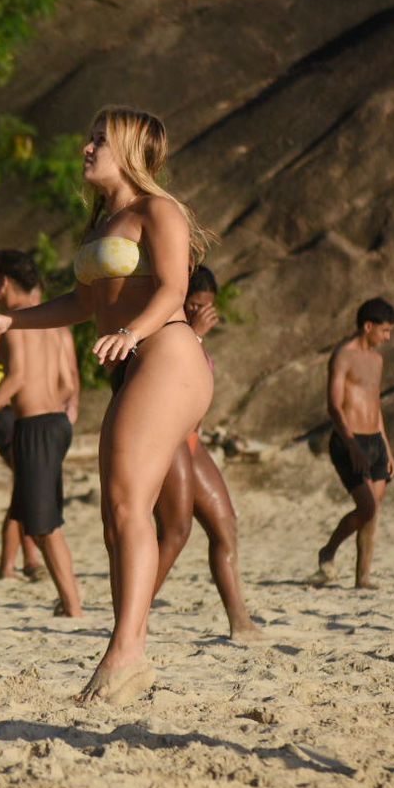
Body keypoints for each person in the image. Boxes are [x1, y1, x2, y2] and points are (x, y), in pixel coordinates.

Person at [0, 105, 214, 705]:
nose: (86, 148)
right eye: (88, 137)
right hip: (138, 362)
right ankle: (131, 651)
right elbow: (79, 306)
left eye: (99, 139)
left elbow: (176, 289)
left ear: (129, 149)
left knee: (129, 506)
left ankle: (125, 655)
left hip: (169, 354)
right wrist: (10, 320)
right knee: (116, 515)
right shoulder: (104, 223)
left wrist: (132, 332)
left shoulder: (159, 210)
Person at [0, 250, 83, 616]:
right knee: (37, 516)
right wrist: (71, 408)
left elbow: (18, 377)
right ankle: (68, 600)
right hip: (56, 424)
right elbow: (70, 378)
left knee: (44, 526)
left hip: (35, 426)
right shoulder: (56, 323)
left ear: (4, 282)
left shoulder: (17, 321)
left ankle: (73, 606)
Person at [150, 265, 262, 641]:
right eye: (195, 304)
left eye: (207, 306)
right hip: (167, 437)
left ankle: (240, 622)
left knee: (225, 524)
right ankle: (133, 615)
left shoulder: (189, 332)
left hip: (193, 442)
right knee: (175, 530)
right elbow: (164, 380)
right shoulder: (163, 327)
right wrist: (193, 336)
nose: (202, 312)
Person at [313, 298, 394, 589]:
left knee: (373, 511)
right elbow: (334, 406)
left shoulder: (377, 360)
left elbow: (375, 405)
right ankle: (329, 550)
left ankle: (363, 578)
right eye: (384, 331)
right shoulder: (343, 356)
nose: (387, 337)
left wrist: (386, 447)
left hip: (375, 440)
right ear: (368, 326)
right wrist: (352, 446)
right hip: (349, 440)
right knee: (367, 507)